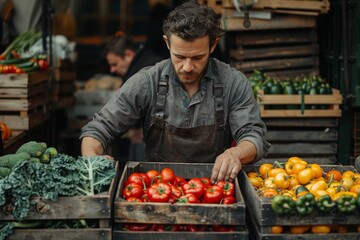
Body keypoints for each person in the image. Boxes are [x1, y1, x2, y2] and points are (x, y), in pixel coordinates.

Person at [80, 0, 270, 183]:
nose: (187, 67)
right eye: (179, 56)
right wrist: (92, 159)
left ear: (213, 45)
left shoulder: (233, 83)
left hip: (216, 190)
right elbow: (98, 129)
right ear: (167, 43)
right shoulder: (147, 82)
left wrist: (235, 153)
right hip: (158, 189)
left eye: (197, 57)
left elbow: (253, 136)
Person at [103, 33, 164, 161]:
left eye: (115, 64)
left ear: (129, 55)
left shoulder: (145, 71)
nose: (112, 70)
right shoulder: (142, 63)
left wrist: (137, 126)